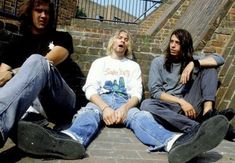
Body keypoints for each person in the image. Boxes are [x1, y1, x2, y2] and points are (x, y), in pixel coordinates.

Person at [17, 29, 229, 163]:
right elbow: (90, 89)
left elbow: (137, 93)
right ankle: (69, 139)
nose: (123, 40)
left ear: (128, 45)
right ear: (112, 42)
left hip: (126, 102)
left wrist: (126, 109)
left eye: (126, 39)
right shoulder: (100, 63)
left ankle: (175, 142)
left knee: (142, 117)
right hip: (101, 100)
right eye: (120, 37)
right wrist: (105, 108)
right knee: (88, 114)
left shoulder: (134, 66)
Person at [0, 0, 87, 159]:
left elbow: (49, 60)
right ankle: (33, 125)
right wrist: (7, 75)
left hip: (61, 101)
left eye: (47, 12)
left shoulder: (62, 37)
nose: (43, 15)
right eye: (39, 11)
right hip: (31, 103)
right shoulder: (16, 44)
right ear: (29, 13)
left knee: (38, 61)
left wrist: (12, 73)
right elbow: (1, 75)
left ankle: (4, 124)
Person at [140, 28, 235, 140]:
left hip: (192, 105)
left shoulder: (191, 60)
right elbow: (155, 91)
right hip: (171, 107)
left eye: (177, 43)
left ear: (185, 46)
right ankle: (198, 128)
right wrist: (181, 102)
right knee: (146, 104)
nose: (173, 46)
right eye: (171, 41)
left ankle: (208, 114)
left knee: (209, 67)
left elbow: (219, 59)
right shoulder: (158, 62)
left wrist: (194, 64)